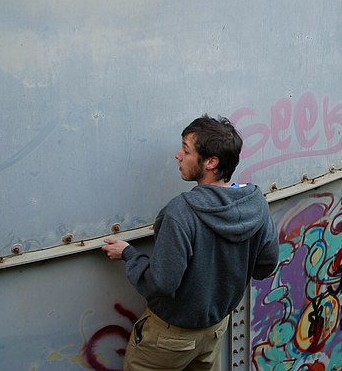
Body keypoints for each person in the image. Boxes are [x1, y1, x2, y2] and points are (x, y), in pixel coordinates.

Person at [103, 115, 279, 371]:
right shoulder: (256, 204)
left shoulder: (181, 213)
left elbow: (162, 283)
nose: (178, 155)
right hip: (215, 330)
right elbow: (266, 265)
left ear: (211, 162)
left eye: (186, 151)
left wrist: (130, 255)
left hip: (169, 337)